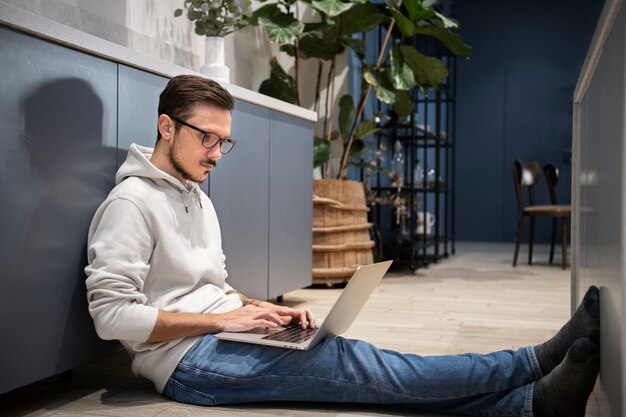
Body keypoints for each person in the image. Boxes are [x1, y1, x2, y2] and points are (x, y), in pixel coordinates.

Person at [85, 74, 600, 417]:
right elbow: (112, 319)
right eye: (208, 138)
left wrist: (261, 311)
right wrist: (225, 321)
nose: (218, 154)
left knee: (356, 364)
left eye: (225, 142)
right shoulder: (129, 204)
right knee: (360, 370)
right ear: (166, 126)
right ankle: (531, 363)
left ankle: (530, 405)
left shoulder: (197, 198)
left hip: (223, 335)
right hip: (186, 364)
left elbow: (213, 288)